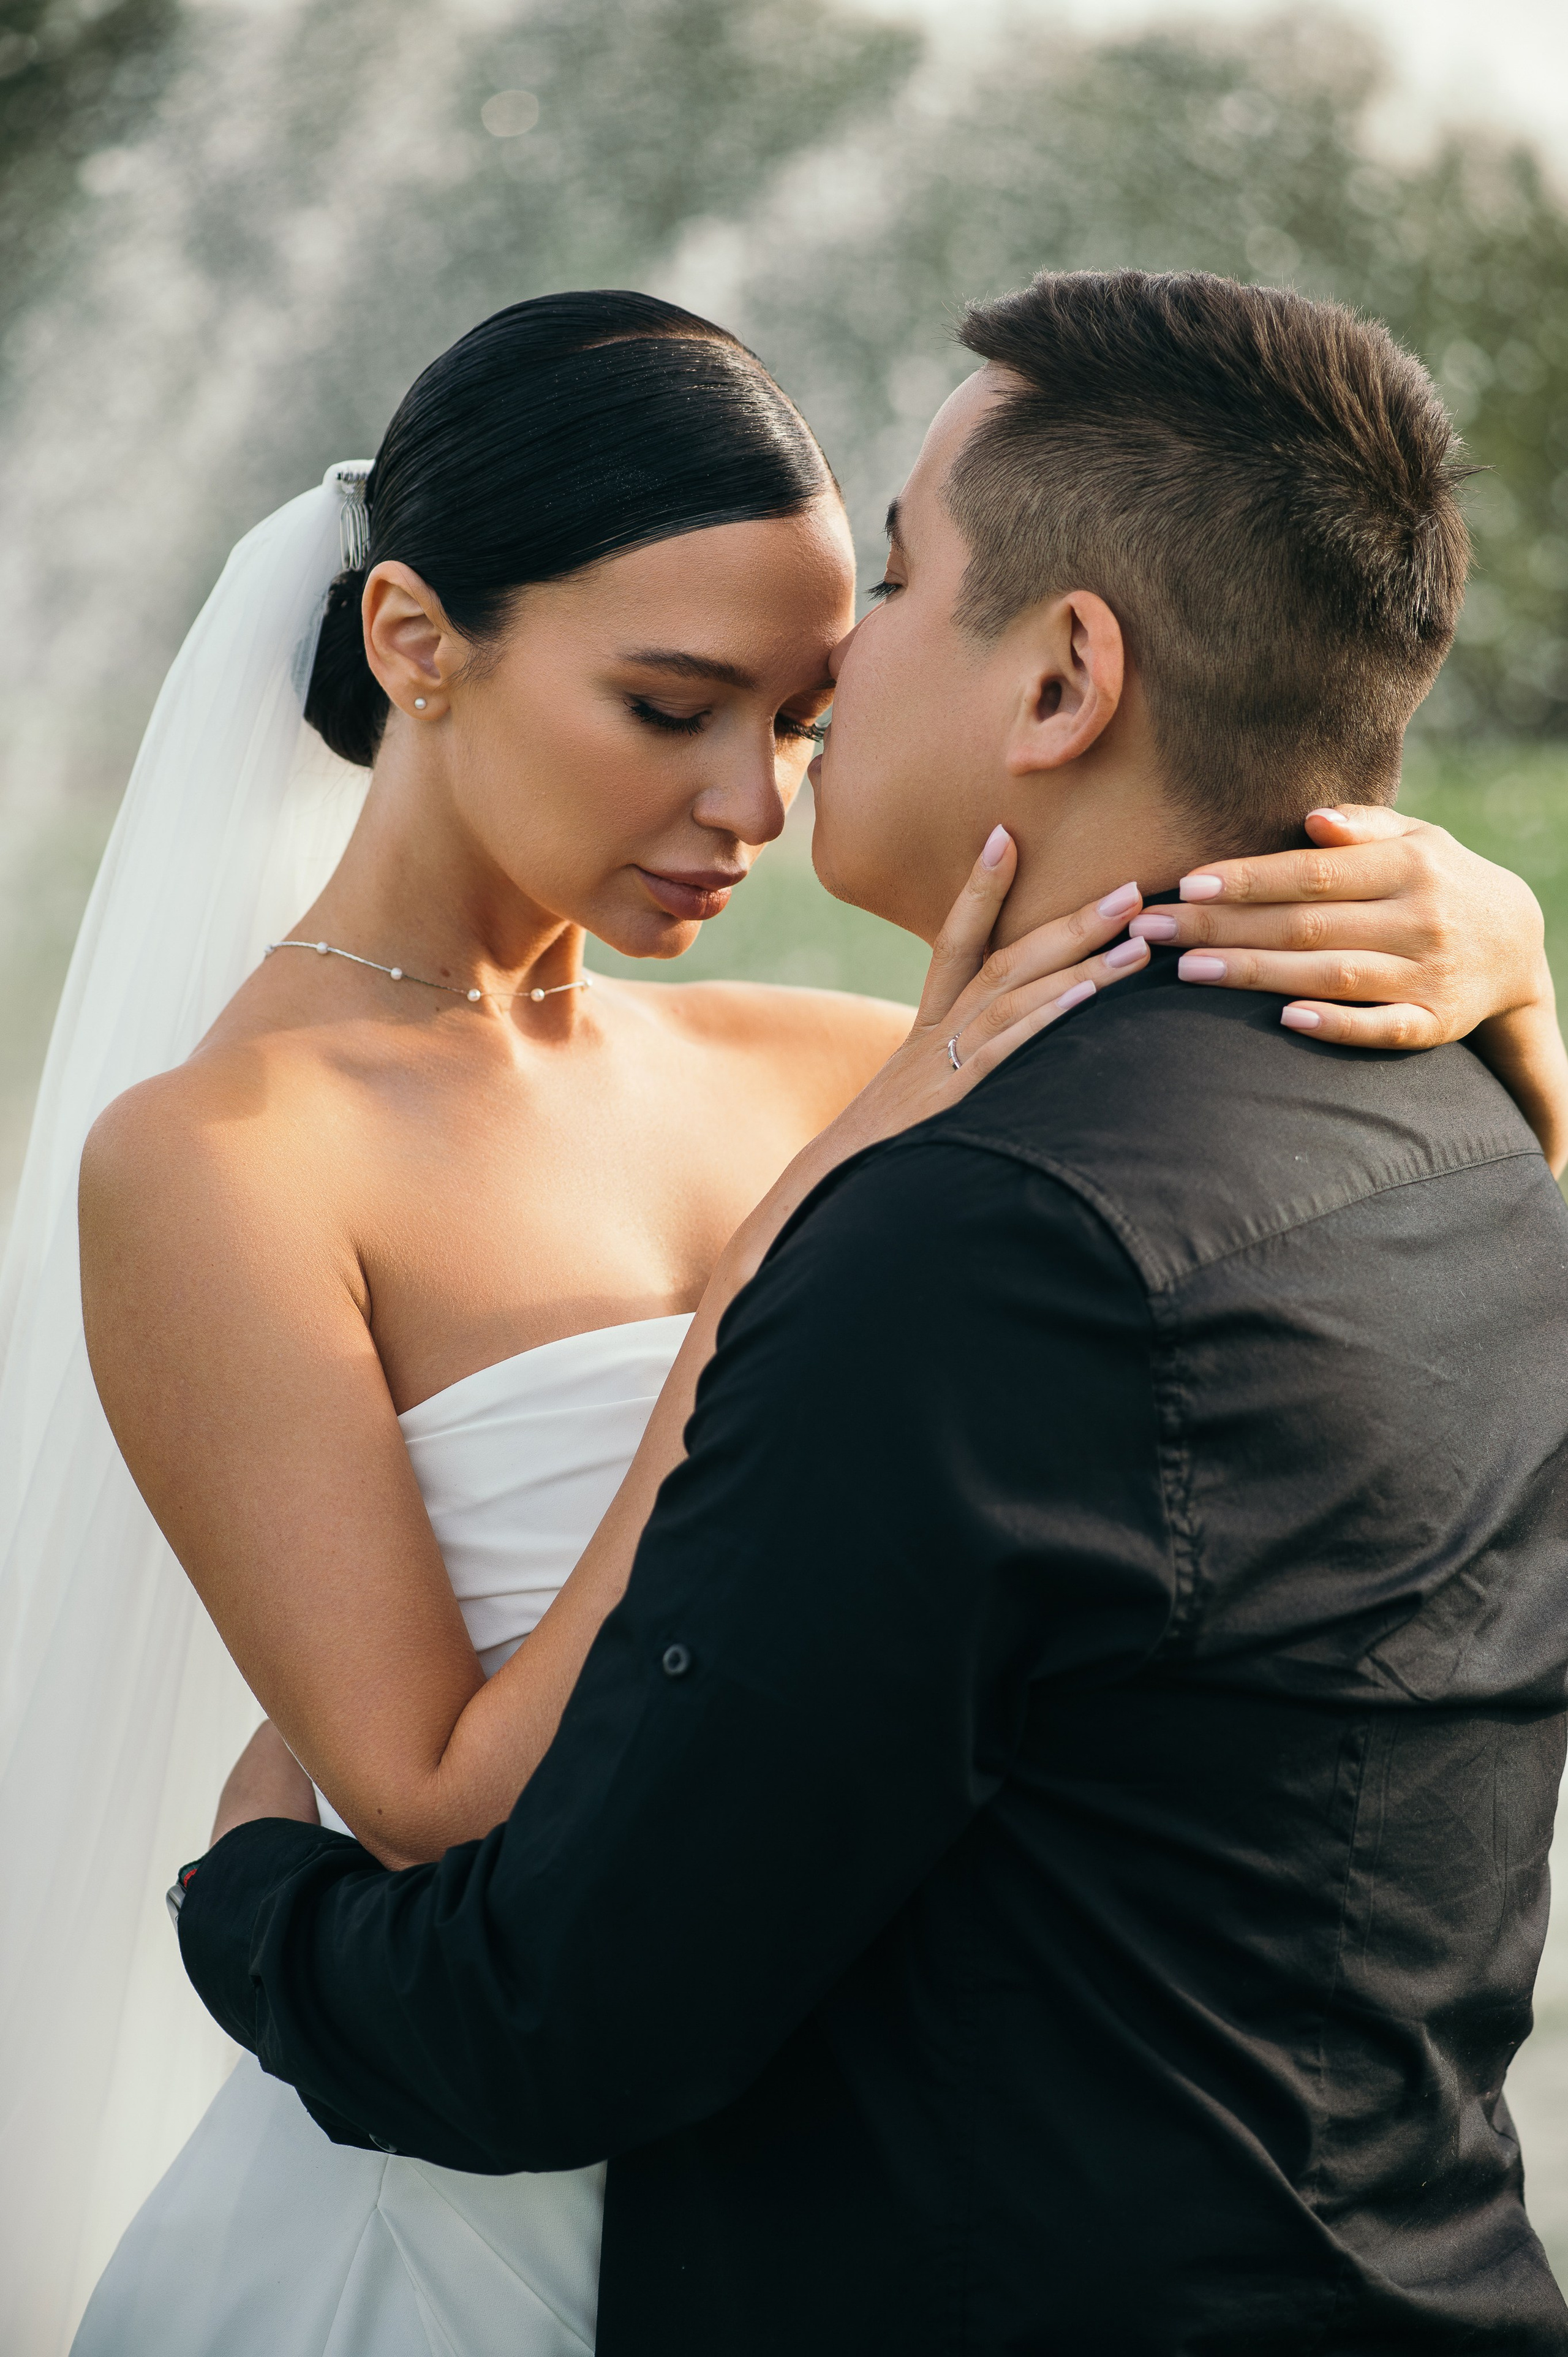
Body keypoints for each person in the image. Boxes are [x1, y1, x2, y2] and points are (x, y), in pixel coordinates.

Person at [4, 291, 1474, 2357]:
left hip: (816, 2181)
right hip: (445, 2209)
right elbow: (430, 1797)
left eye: (795, 715)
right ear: (417, 642)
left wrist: (1481, 938)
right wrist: (769, 1273)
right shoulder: (222, 1161)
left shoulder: (832, 1053)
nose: (759, 804)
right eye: (670, 705)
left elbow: (1305, 1151)